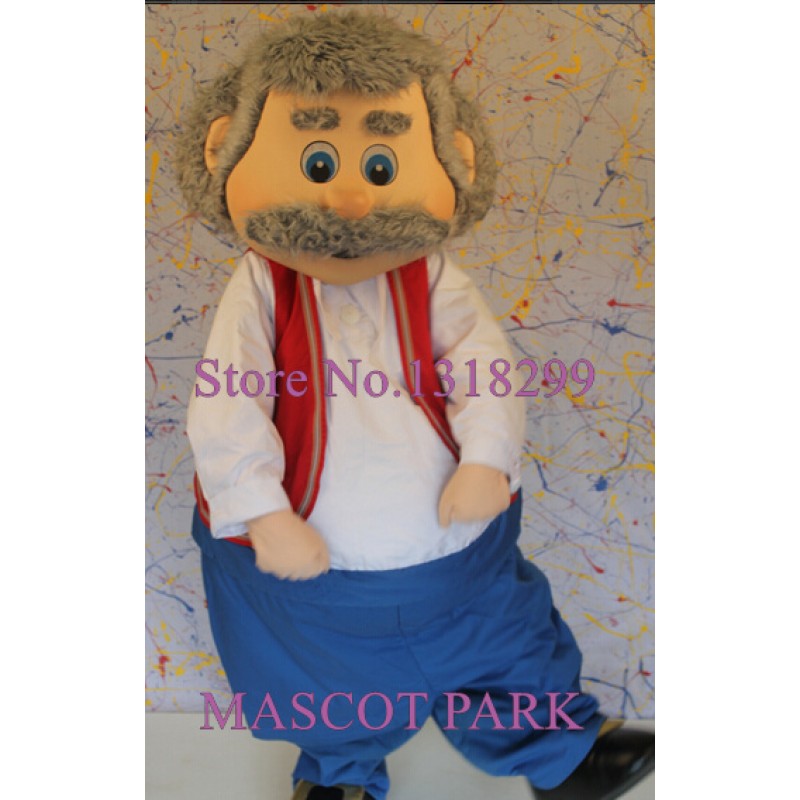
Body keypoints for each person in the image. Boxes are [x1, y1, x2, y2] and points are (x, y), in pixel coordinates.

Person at [175, 13, 654, 800]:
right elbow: (227, 402)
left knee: (501, 638)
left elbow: (483, 364)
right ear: (226, 149)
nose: (350, 197)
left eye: (380, 164)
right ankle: (339, 775)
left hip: (453, 543)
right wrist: (261, 511)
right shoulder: (261, 286)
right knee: (317, 677)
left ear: (454, 158)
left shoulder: (431, 277)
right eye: (319, 163)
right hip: (309, 563)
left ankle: (560, 755)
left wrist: (487, 457)